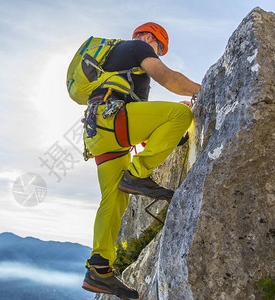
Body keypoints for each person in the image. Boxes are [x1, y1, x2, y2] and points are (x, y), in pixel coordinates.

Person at [81, 22, 201, 299]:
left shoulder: (118, 66)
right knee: (180, 115)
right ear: (149, 37)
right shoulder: (137, 46)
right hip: (114, 121)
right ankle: (137, 171)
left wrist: (171, 138)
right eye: (158, 47)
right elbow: (168, 79)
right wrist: (201, 89)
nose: (157, 53)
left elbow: (139, 116)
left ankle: (99, 269)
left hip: (99, 131)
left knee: (113, 199)